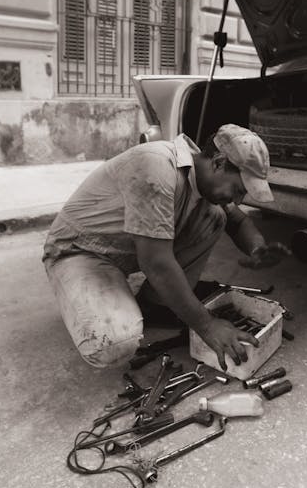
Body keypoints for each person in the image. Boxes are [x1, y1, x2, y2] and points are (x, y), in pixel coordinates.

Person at [42, 124, 289, 370]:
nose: (238, 200)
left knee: (216, 215)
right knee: (114, 342)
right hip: (81, 251)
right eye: (237, 189)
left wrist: (257, 248)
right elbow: (156, 264)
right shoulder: (156, 167)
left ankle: (156, 304)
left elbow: (238, 221)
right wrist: (207, 325)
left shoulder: (203, 180)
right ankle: (91, 295)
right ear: (218, 163)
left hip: (129, 250)